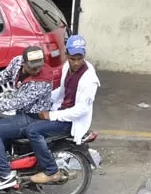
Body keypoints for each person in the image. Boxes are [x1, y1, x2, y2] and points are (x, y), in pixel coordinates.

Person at [0, 45, 54, 192]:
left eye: (39, 67)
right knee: (2, 133)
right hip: (22, 113)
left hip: (33, 117)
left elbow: (18, 102)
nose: (36, 71)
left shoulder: (43, 79)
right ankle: (4, 166)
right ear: (24, 63)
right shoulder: (16, 62)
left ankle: (5, 175)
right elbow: (3, 76)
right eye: (33, 68)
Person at [25, 34, 101, 184]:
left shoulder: (89, 79)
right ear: (66, 55)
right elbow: (62, 90)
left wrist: (51, 115)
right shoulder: (67, 67)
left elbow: (80, 111)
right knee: (26, 113)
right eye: (73, 58)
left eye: (80, 58)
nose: (76, 63)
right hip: (60, 109)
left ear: (84, 55)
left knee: (33, 130)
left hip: (72, 121)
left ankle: (50, 171)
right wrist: (44, 99)